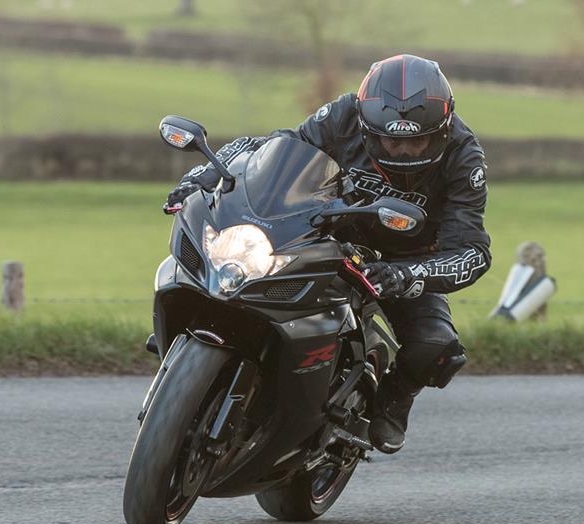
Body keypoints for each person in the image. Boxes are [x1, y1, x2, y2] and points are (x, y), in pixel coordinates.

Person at [164, 54, 491, 454]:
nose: (403, 151)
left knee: (436, 346)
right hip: (325, 233)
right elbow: (279, 145)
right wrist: (205, 174)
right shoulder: (343, 114)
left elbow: (471, 251)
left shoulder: (464, 157)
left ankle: (393, 398)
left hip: (401, 262)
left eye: (416, 141)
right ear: (368, 126)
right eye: (392, 140)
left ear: (441, 131)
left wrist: (408, 275)